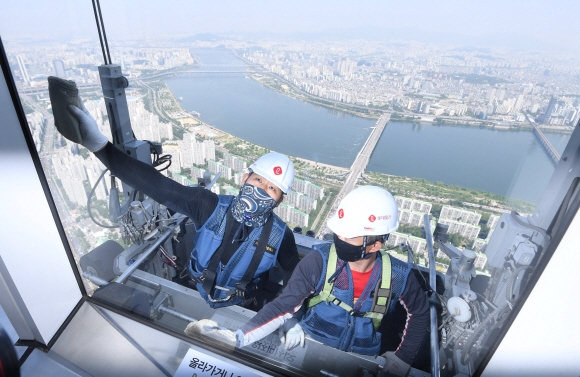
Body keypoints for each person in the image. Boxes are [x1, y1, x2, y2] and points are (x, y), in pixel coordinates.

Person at [64, 97, 300, 308]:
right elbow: (154, 184)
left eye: (272, 189)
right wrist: (100, 147)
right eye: (258, 180)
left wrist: (287, 308)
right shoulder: (209, 207)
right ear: (244, 178)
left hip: (242, 303)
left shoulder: (279, 236)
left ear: (279, 201)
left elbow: (292, 271)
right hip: (194, 290)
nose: (261, 191)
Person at [235, 186, 429, 376]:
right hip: (311, 343)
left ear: (375, 245)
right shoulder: (320, 261)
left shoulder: (397, 275)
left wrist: (403, 358)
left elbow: (419, 312)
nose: (340, 238)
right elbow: (283, 306)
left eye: (349, 235)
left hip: (362, 358)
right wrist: (239, 336)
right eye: (339, 231)